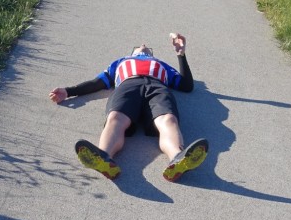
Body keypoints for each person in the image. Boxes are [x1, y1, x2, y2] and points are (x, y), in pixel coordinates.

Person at [49, 32, 208, 182]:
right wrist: (68, 91)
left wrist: (181, 54)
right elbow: (96, 83)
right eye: (139, 45)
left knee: (168, 120)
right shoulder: (120, 62)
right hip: (128, 85)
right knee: (115, 118)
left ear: (151, 54)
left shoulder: (161, 65)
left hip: (156, 87)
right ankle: (103, 157)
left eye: (147, 46)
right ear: (132, 53)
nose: (143, 44)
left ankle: (178, 159)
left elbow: (187, 86)